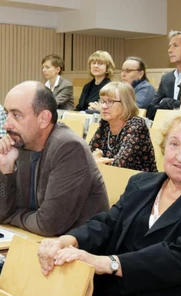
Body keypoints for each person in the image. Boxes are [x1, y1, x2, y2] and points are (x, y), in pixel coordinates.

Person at [38, 108, 181, 296]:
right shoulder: (141, 183)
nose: (180, 156)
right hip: (116, 293)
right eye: (174, 144)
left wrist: (110, 263)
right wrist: (69, 240)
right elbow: (107, 224)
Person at [0, 81, 109, 236]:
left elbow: (48, 225)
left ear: (44, 118)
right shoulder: (21, 144)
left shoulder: (69, 148)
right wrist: (6, 168)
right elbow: (2, 213)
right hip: (36, 241)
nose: (6, 124)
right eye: (7, 114)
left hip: (77, 252)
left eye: (16, 115)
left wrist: (13, 216)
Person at [89, 82, 157, 172]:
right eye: (102, 101)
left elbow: (120, 165)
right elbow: (86, 155)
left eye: (110, 101)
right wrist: (95, 160)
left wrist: (96, 160)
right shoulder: (105, 124)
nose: (104, 106)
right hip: (111, 179)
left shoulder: (136, 125)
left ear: (125, 103)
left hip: (140, 182)